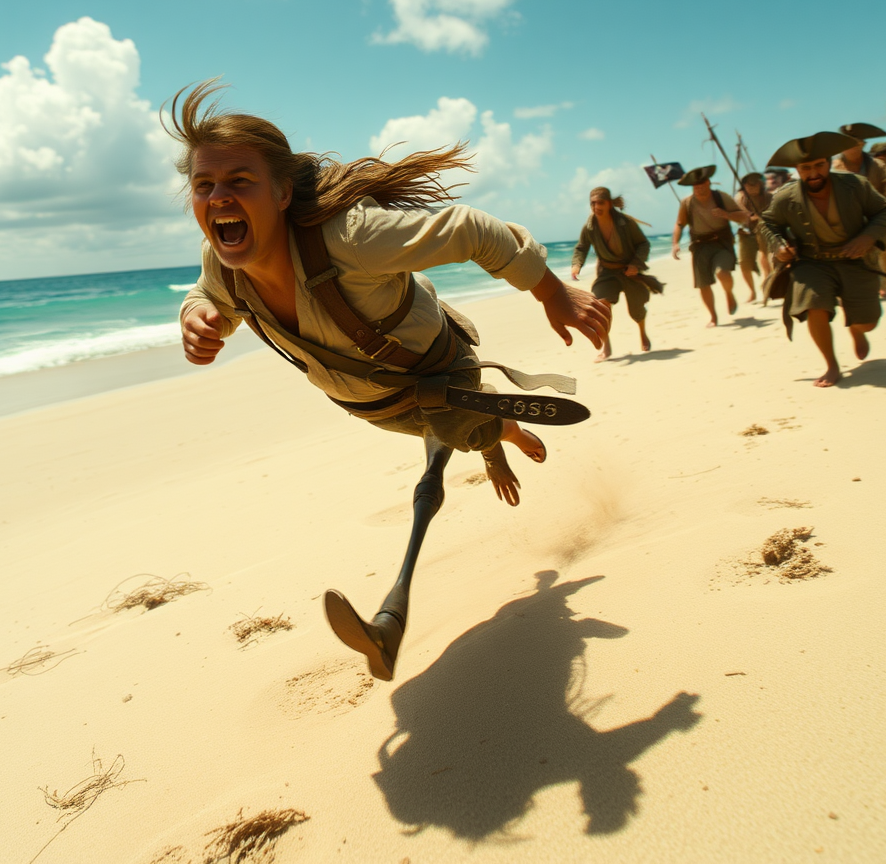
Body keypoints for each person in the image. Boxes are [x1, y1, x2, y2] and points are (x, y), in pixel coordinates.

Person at [168, 81, 611, 678]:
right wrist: (196, 317)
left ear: (280, 192)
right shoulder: (221, 261)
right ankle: (491, 428)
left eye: (239, 181)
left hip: (435, 371)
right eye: (204, 185)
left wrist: (552, 290)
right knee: (448, 434)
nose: (218, 195)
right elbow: (207, 295)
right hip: (367, 403)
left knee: (452, 437)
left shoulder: (350, 238)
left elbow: (472, 229)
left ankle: (394, 612)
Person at [757, 131, 886, 387]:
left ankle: (856, 328)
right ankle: (831, 364)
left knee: (868, 323)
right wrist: (779, 246)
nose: (813, 173)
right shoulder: (785, 197)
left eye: (819, 165)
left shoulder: (855, 184)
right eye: (806, 168)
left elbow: (885, 210)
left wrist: (867, 237)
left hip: (855, 259)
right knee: (814, 305)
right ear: (798, 169)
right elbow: (767, 223)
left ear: (829, 163)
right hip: (812, 262)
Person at [571, 187, 663, 360]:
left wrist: (635, 264)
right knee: (600, 305)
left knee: (636, 310)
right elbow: (582, 247)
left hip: (629, 271)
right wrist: (576, 264)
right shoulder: (590, 227)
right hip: (607, 272)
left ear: (610, 203)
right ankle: (606, 347)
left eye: (600, 202)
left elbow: (643, 244)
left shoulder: (625, 223)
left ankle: (642, 332)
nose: (596, 206)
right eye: (592, 203)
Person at [671, 166, 750, 326]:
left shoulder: (721, 197)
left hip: (721, 242)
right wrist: (675, 243)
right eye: (696, 186)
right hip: (700, 246)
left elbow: (744, 217)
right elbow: (680, 224)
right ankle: (713, 317)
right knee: (703, 283)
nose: (699, 188)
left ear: (708, 183)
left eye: (702, 184)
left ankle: (729, 294)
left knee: (723, 274)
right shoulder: (687, 203)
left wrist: (726, 214)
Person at [835, 129, 886, 292]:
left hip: (877, 215)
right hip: (847, 219)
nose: (853, 148)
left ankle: (882, 283)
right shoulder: (834, 167)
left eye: (857, 143)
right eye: (848, 144)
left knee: (882, 250)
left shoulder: (876, 166)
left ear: (863, 144)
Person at [734, 172, 772, 302]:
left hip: (764, 231)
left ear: (760, 184)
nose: (752, 187)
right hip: (746, 233)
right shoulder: (740, 197)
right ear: (744, 185)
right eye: (749, 185)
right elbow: (741, 214)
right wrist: (752, 216)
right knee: (744, 264)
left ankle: (766, 282)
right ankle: (752, 291)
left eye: (755, 184)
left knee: (764, 256)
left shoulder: (768, 197)